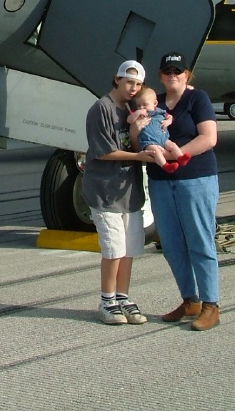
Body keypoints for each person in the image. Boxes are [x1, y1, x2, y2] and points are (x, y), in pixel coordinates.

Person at [134, 52, 219, 331]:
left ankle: (210, 305)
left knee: (199, 241)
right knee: (170, 244)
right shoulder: (152, 102)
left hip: (195, 178)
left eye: (178, 71)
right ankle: (189, 300)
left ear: (187, 74)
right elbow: (138, 139)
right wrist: (137, 129)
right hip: (160, 180)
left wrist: (178, 154)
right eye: (168, 71)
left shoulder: (197, 99)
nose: (173, 75)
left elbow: (208, 138)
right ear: (160, 75)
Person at [82, 60, 155, 325]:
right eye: (129, 82)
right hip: (106, 192)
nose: (133, 88)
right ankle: (107, 300)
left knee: (129, 249)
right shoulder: (101, 108)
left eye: (138, 84)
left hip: (130, 192)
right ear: (117, 79)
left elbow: (139, 140)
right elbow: (103, 151)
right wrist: (139, 155)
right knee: (113, 249)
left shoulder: (132, 109)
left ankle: (123, 297)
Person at [129, 86, 191, 173]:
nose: (141, 108)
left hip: (163, 138)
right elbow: (129, 120)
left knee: (172, 145)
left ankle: (181, 158)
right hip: (148, 141)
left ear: (155, 103)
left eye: (145, 104)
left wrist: (168, 121)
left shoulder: (160, 111)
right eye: (139, 105)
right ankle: (165, 166)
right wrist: (137, 113)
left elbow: (170, 116)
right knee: (156, 151)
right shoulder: (138, 114)